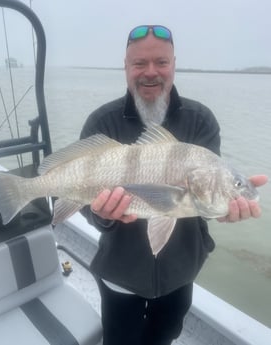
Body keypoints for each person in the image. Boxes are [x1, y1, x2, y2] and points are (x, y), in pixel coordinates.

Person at [79, 25, 267, 345]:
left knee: (164, 336)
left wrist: (223, 208)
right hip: (120, 274)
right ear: (126, 66)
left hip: (182, 273)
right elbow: (84, 201)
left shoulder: (201, 119)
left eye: (161, 62)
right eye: (140, 63)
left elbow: (204, 195)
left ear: (174, 64)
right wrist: (103, 215)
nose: (151, 72)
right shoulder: (101, 122)